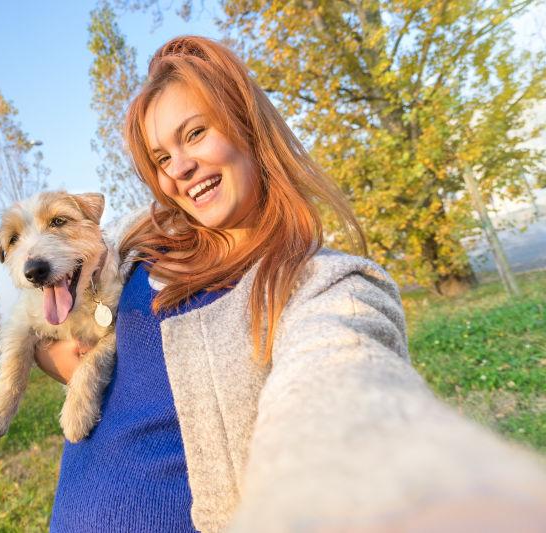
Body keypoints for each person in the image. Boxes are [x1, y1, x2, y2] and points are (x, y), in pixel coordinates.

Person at [39, 36, 546, 532]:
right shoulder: (135, 239)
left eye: (194, 134)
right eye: (161, 158)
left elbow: (340, 385)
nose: (180, 168)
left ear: (247, 125)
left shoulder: (321, 285)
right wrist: (57, 356)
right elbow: (45, 318)